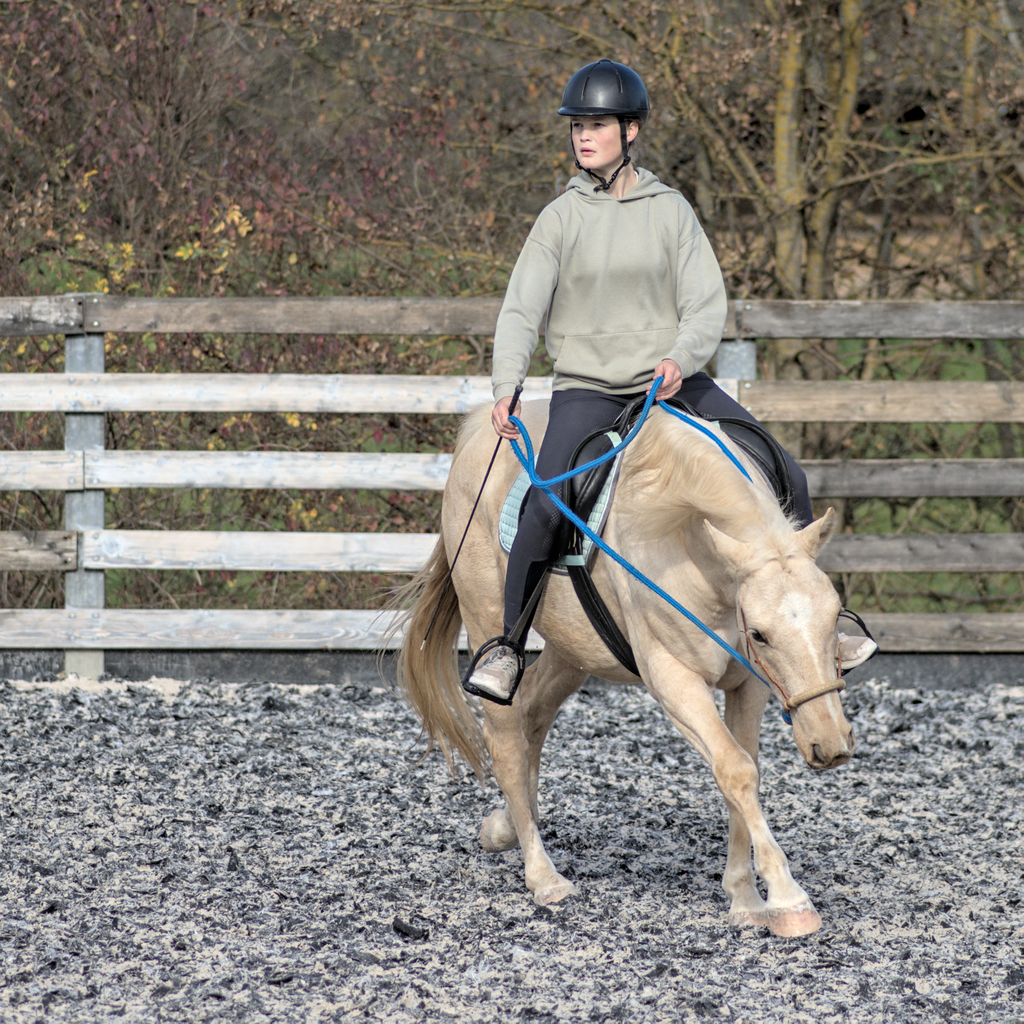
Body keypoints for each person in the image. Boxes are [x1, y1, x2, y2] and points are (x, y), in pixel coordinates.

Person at [463, 59, 875, 704]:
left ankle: (825, 622)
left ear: (632, 131)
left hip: (672, 382)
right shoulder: (558, 218)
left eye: (596, 124)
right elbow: (520, 309)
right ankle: (507, 646)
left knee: (784, 469)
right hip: (589, 389)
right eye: (576, 125)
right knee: (543, 504)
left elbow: (705, 304)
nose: (581, 136)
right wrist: (506, 384)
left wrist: (682, 356)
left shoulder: (671, 210)